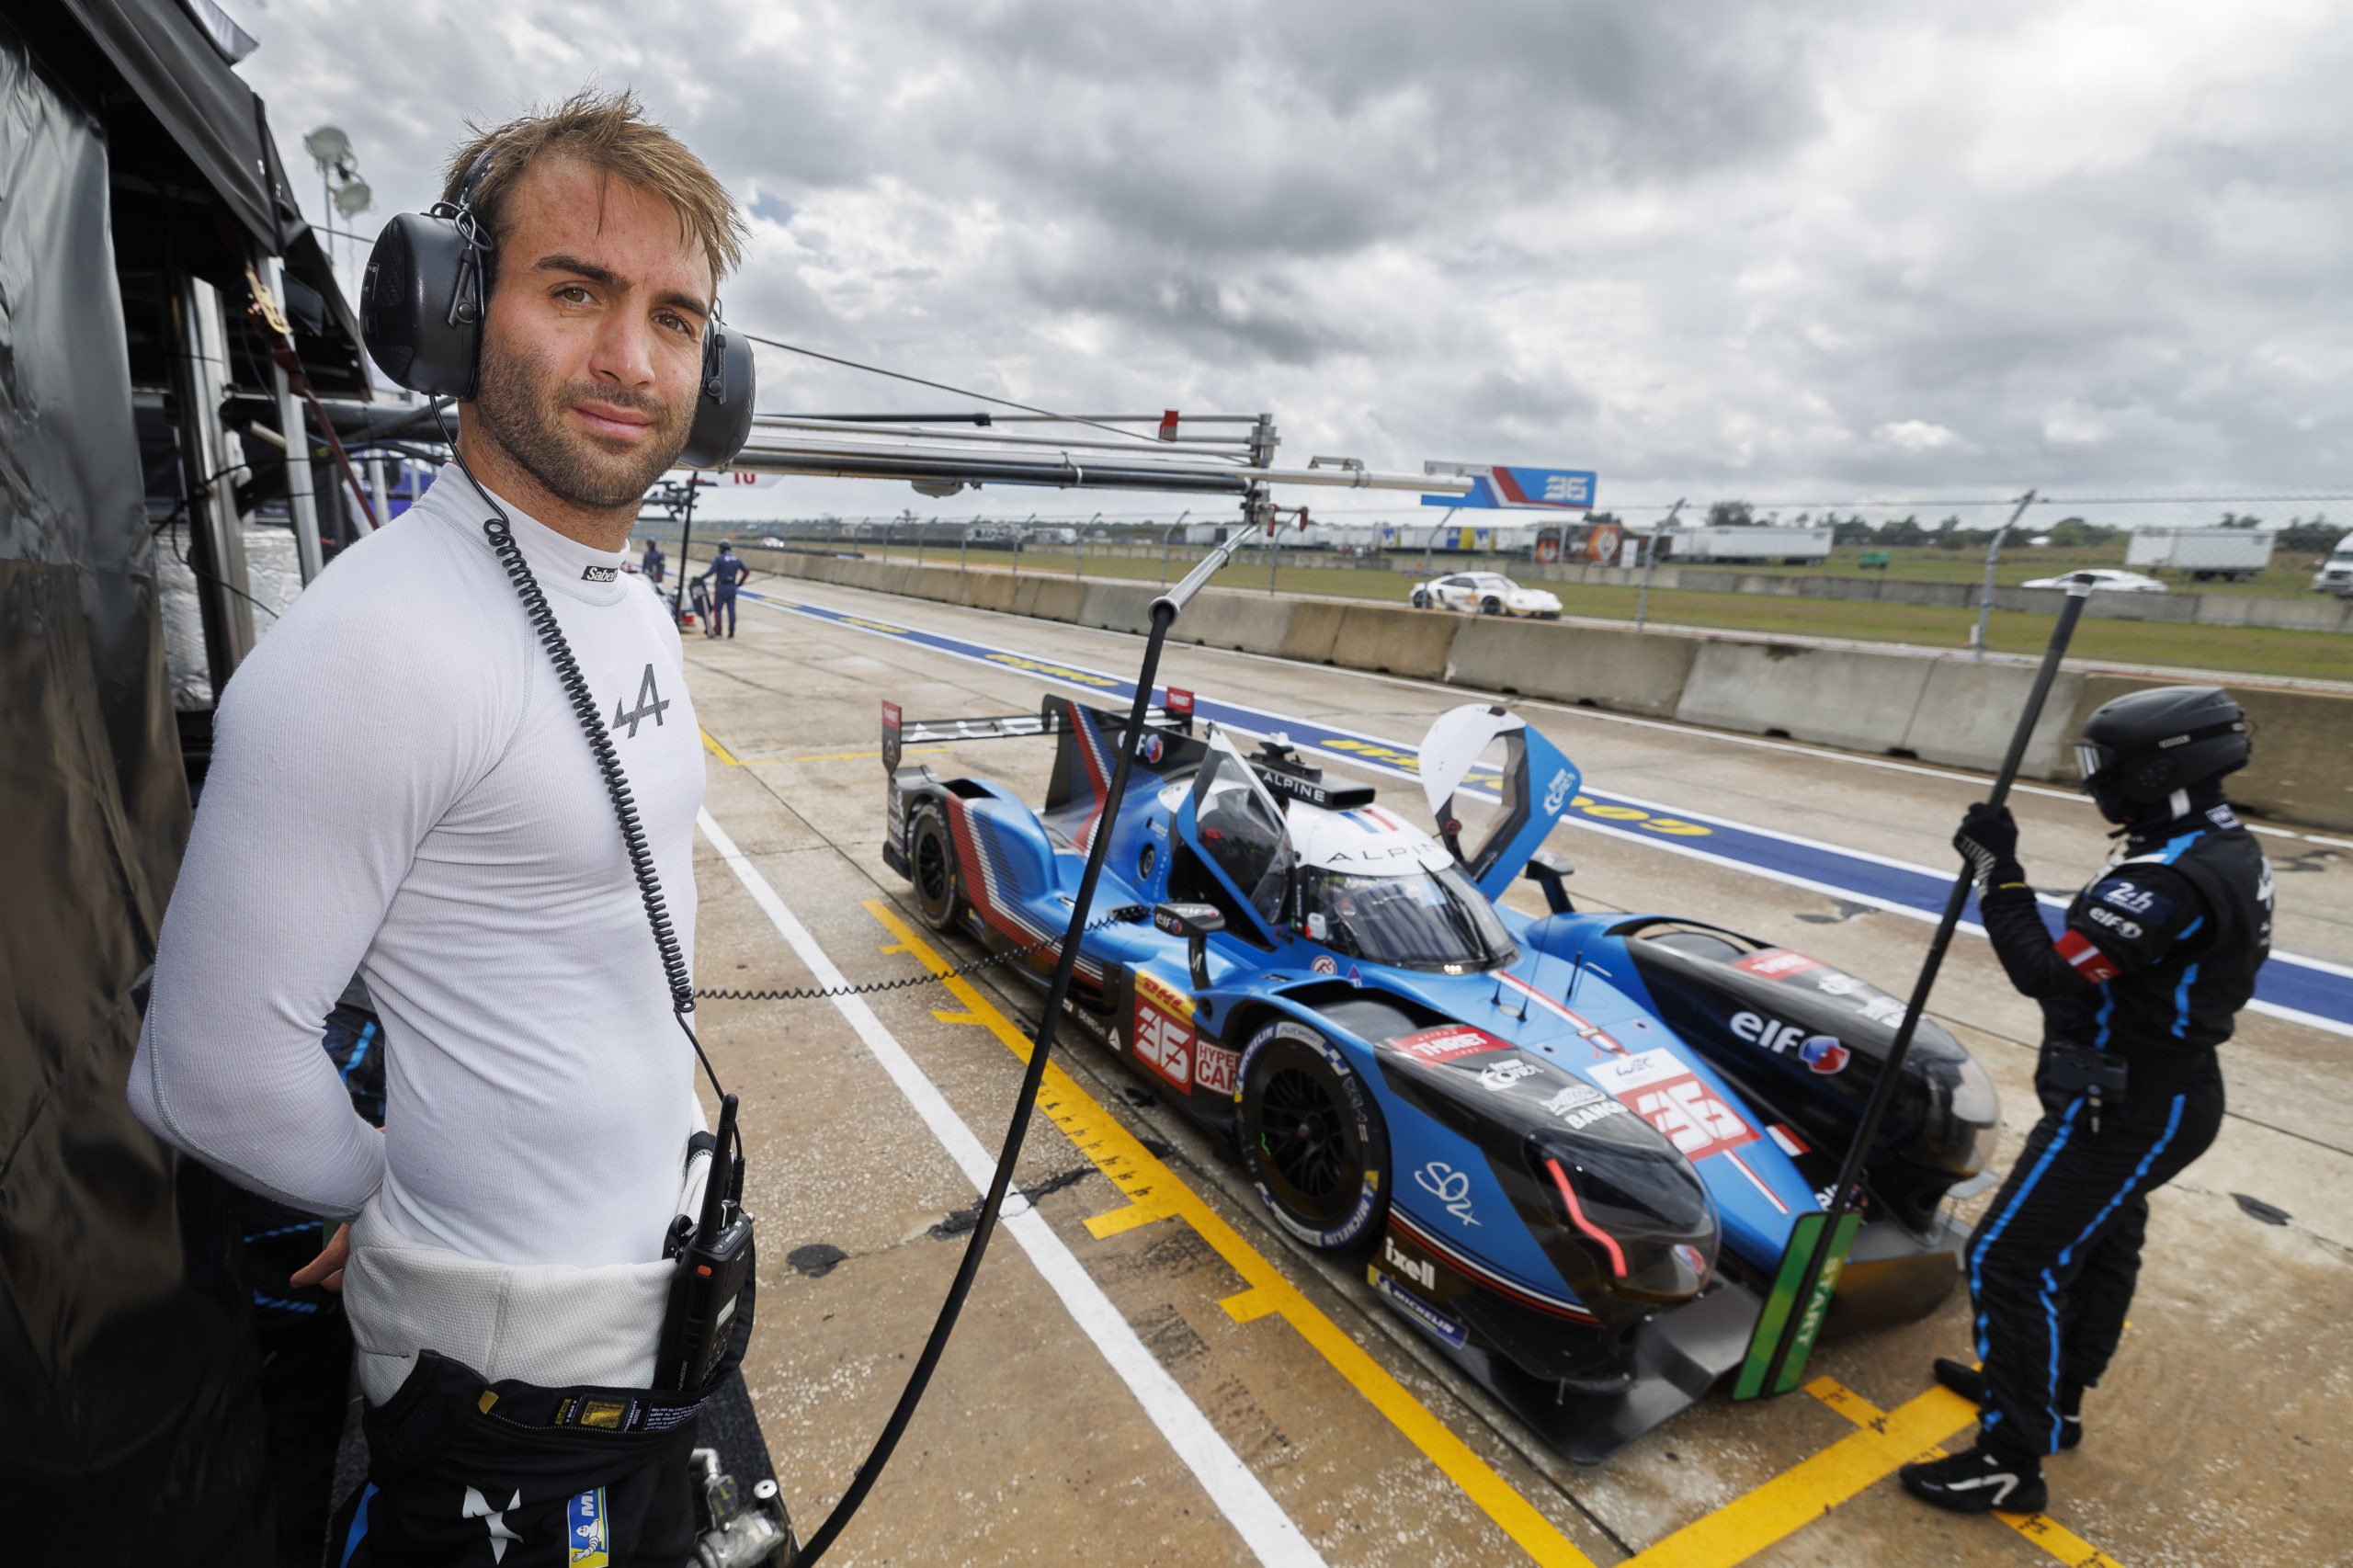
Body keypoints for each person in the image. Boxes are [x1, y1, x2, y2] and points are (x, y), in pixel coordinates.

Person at [129, 90, 748, 1565]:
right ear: (454, 307)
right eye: (576, 290)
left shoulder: (638, 609)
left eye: (674, 318)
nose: (628, 358)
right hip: (511, 1399)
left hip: (647, 1325)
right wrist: (408, 1200)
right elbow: (205, 1073)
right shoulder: (379, 646)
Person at [1901, 686, 2271, 1517]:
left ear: (2163, 767)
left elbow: (2047, 970)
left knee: (2006, 1256)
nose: (2094, 781)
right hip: (2153, 1092)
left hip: (2127, 1103)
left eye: (2107, 766)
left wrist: (1999, 868)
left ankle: (2009, 1458)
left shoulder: (2173, 877)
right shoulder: (2208, 840)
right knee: (2101, 1242)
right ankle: (2050, 1403)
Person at [695, 539, 751, 638]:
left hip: (721, 587)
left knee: (717, 610)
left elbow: (711, 572)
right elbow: (746, 572)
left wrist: (700, 578)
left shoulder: (719, 559)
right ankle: (731, 632)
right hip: (732, 587)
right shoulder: (736, 559)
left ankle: (718, 630)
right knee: (731, 610)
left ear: (721, 548)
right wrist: (739, 583)